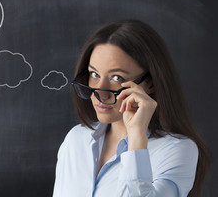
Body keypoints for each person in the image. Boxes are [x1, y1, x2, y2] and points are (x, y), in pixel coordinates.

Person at [52, 20, 211, 197]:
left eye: (117, 78)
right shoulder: (76, 139)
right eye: (94, 74)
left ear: (150, 83)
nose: (100, 93)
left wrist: (136, 136)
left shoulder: (178, 150)